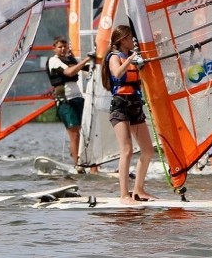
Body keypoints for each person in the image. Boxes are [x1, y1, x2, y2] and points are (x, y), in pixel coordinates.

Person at [101, 25, 156, 204]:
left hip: (135, 104)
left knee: (148, 150)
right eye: (131, 37)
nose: (133, 40)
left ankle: (138, 190)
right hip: (120, 107)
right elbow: (117, 73)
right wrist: (131, 58)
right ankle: (124, 195)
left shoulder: (134, 57)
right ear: (122, 39)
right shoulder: (114, 57)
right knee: (127, 150)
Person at [46, 37, 91, 168]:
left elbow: (88, 67)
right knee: (74, 133)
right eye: (60, 47)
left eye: (64, 47)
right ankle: (77, 164)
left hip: (78, 98)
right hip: (65, 101)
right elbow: (70, 72)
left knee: (86, 132)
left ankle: (92, 164)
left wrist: (97, 58)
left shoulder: (72, 59)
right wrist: (87, 59)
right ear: (54, 48)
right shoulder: (53, 61)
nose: (63, 49)